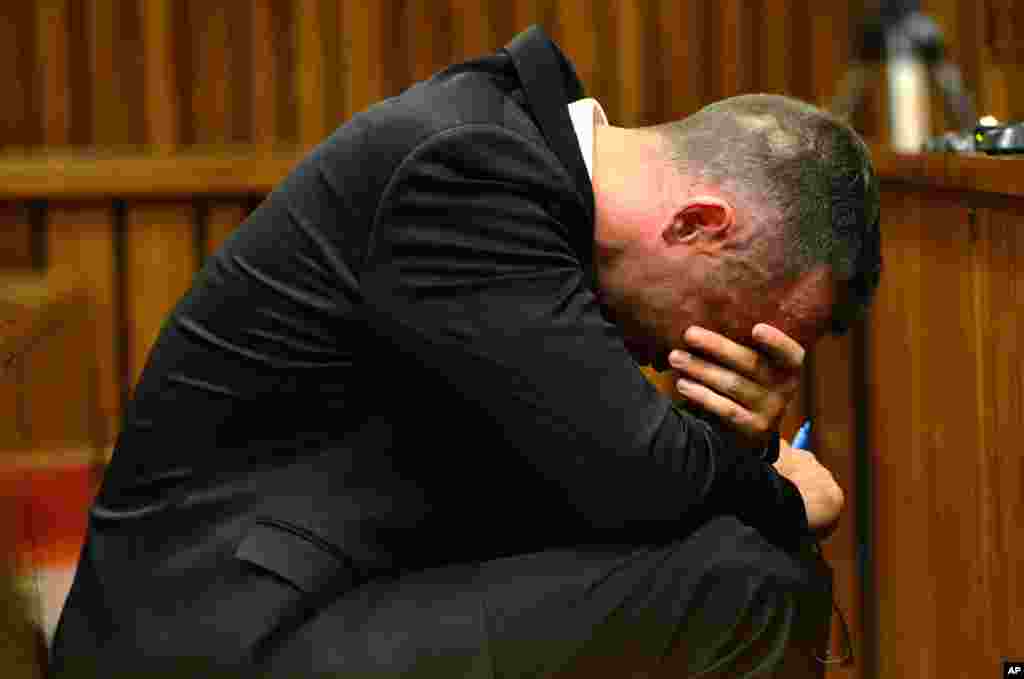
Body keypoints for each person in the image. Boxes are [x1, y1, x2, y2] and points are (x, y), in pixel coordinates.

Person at [50, 25, 880, 678]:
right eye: (735, 321)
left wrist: (729, 446)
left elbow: (591, 486)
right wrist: (772, 483)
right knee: (743, 581)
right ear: (699, 225)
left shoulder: (512, 170)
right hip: (222, 641)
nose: (698, 348)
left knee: (728, 565)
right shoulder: (469, 171)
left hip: (327, 603)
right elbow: (630, 467)